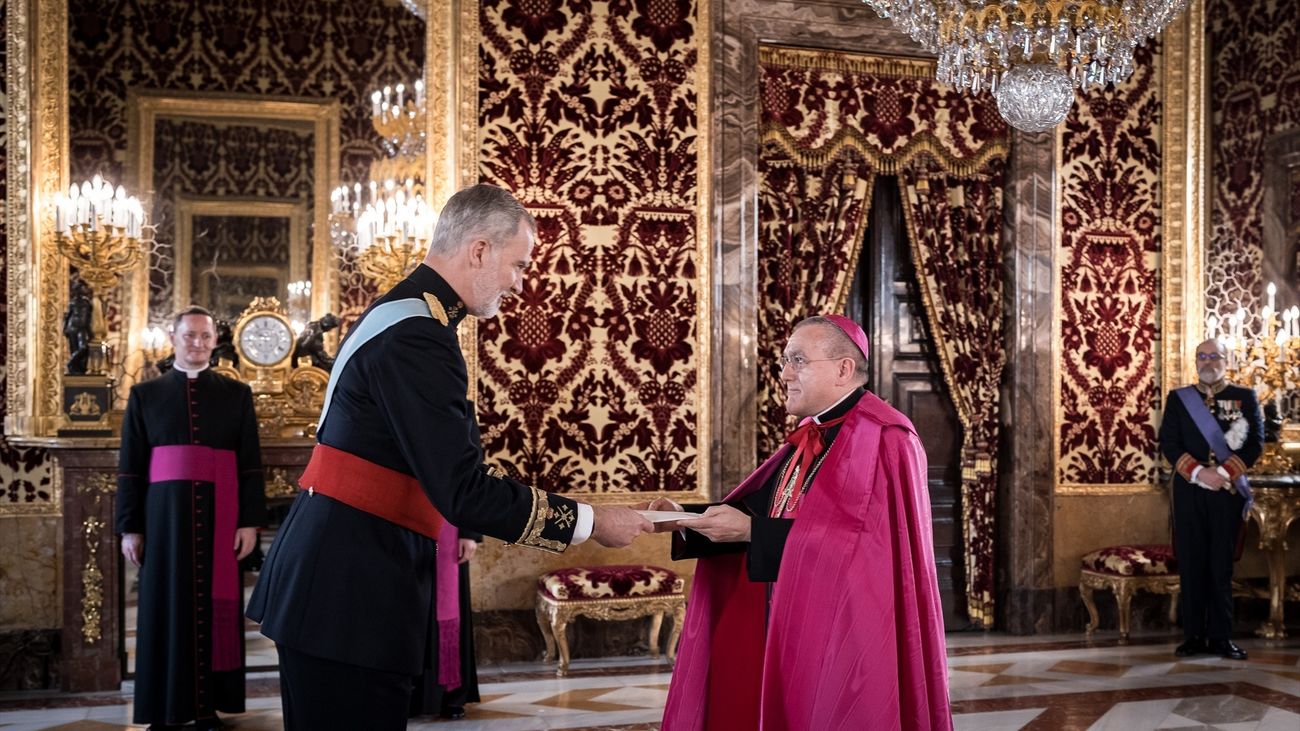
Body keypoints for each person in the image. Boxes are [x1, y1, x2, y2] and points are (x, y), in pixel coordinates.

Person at [247, 183, 651, 730]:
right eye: (518, 264)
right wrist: (592, 521)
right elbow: (461, 490)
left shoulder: (410, 317)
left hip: (341, 580)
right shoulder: (417, 336)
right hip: (348, 591)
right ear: (479, 250)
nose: (519, 282)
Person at [654, 315, 951, 730]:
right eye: (783, 361)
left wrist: (751, 532)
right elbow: (760, 509)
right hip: (787, 615)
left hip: (847, 635)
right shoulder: (811, 433)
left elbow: (868, 553)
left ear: (843, 369)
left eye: (797, 360)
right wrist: (685, 518)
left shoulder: (887, 437)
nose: (785, 374)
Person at [116, 306, 267, 731]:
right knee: (165, 606)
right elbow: (130, 467)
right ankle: (164, 709)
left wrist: (249, 522)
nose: (198, 343)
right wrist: (131, 527)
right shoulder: (146, 395)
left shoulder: (236, 394)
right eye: (190, 336)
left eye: (205, 336)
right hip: (164, 520)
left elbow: (251, 464)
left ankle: (207, 708)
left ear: (215, 341)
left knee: (213, 607)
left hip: (222, 517)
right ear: (174, 337)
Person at [1160, 338, 1263, 660]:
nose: (1207, 362)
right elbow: (1170, 443)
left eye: (1213, 356)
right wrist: (1199, 473)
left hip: (1226, 492)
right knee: (1191, 564)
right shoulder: (1179, 399)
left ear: (1226, 360)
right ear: (1195, 361)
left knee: (1220, 566)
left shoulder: (1244, 397)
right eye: (1201, 356)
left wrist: (1222, 473)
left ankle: (1221, 638)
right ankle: (1193, 637)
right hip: (1189, 491)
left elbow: (1254, 444)